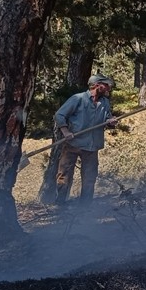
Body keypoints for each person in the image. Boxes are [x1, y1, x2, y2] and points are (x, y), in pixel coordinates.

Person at [53, 74, 118, 204]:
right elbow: (59, 115)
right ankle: (60, 203)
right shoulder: (78, 99)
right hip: (73, 144)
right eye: (106, 85)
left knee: (90, 177)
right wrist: (65, 131)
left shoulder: (105, 102)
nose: (108, 88)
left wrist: (110, 122)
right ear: (96, 85)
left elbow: (106, 119)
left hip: (92, 146)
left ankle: (85, 205)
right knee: (64, 175)